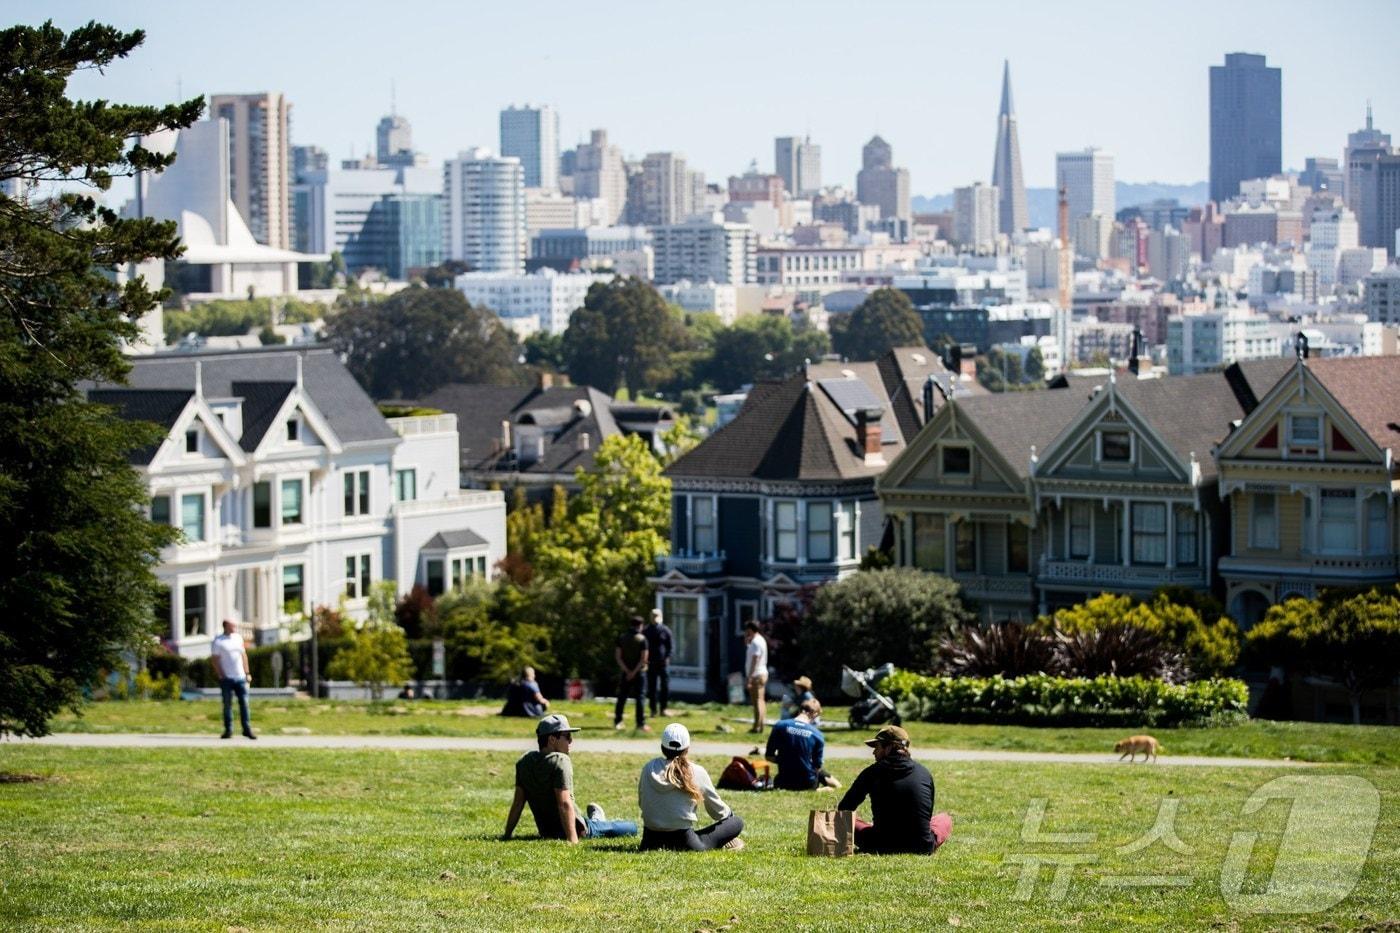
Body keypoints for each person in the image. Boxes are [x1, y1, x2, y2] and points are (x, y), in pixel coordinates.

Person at [503, 714, 638, 843]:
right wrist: (573, 839)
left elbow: (518, 803)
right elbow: (564, 803)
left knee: (594, 822)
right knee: (631, 827)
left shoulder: (524, 762)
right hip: (577, 829)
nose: (571, 741)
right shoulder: (560, 761)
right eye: (567, 736)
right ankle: (597, 820)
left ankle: (596, 819)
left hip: (546, 832)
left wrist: (507, 835)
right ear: (552, 740)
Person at [837, 725, 952, 855]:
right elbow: (926, 816)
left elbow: (844, 809)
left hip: (880, 844)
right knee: (944, 818)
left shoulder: (872, 772)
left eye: (877, 747)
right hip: (922, 846)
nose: (874, 752)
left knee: (850, 822)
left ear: (889, 748)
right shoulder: (924, 773)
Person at [638, 723, 745, 852]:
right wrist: (729, 816)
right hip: (684, 841)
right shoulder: (696, 771)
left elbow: (641, 802)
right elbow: (718, 812)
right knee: (737, 822)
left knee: (696, 834)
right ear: (687, 748)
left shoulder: (648, 768)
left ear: (662, 747)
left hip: (650, 840)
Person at [765, 699, 839, 790]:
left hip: (783, 782)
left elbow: (769, 756)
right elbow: (817, 767)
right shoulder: (817, 735)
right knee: (815, 769)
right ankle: (833, 786)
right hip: (807, 784)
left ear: (800, 710)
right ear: (815, 714)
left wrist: (787, 760)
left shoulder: (780, 726)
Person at [211, 619, 255, 740]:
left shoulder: (238, 638)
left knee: (244, 703)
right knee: (227, 704)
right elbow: (215, 659)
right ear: (225, 627)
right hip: (227, 678)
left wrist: (247, 673)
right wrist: (221, 674)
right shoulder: (219, 641)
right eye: (232, 626)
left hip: (240, 676)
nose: (234, 628)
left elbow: (243, 656)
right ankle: (228, 729)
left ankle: (246, 729)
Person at [614, 615, 649, 731]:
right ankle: (640, 724)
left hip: (625, 672)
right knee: (640, 698)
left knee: (622, 697)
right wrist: (634, 672)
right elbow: (644, 659)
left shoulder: (622, 638)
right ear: (640, 625)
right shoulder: (642, 639)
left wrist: (627, 671)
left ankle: (618, 721)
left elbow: (618, 657)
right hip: (639, 673)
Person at [643, 608, 673, 719]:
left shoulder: (665, 630)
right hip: (651, 662)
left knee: (665, 686)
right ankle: (653, 710)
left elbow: (670, 646)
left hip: (663, 663)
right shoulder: (646, 631)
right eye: (653, 616)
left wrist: (668, 657)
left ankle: (663, 709)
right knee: (652, 687)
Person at [743, 621, 768, 733]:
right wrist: (747, 643)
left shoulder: (756, 642)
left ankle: (757, 726)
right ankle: (761, 725)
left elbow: (755, 659)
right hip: (762, 673)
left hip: (757, 674)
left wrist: (750, 677)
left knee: (756, 701)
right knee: (760, 701)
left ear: (750, 630)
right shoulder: (759, 640)